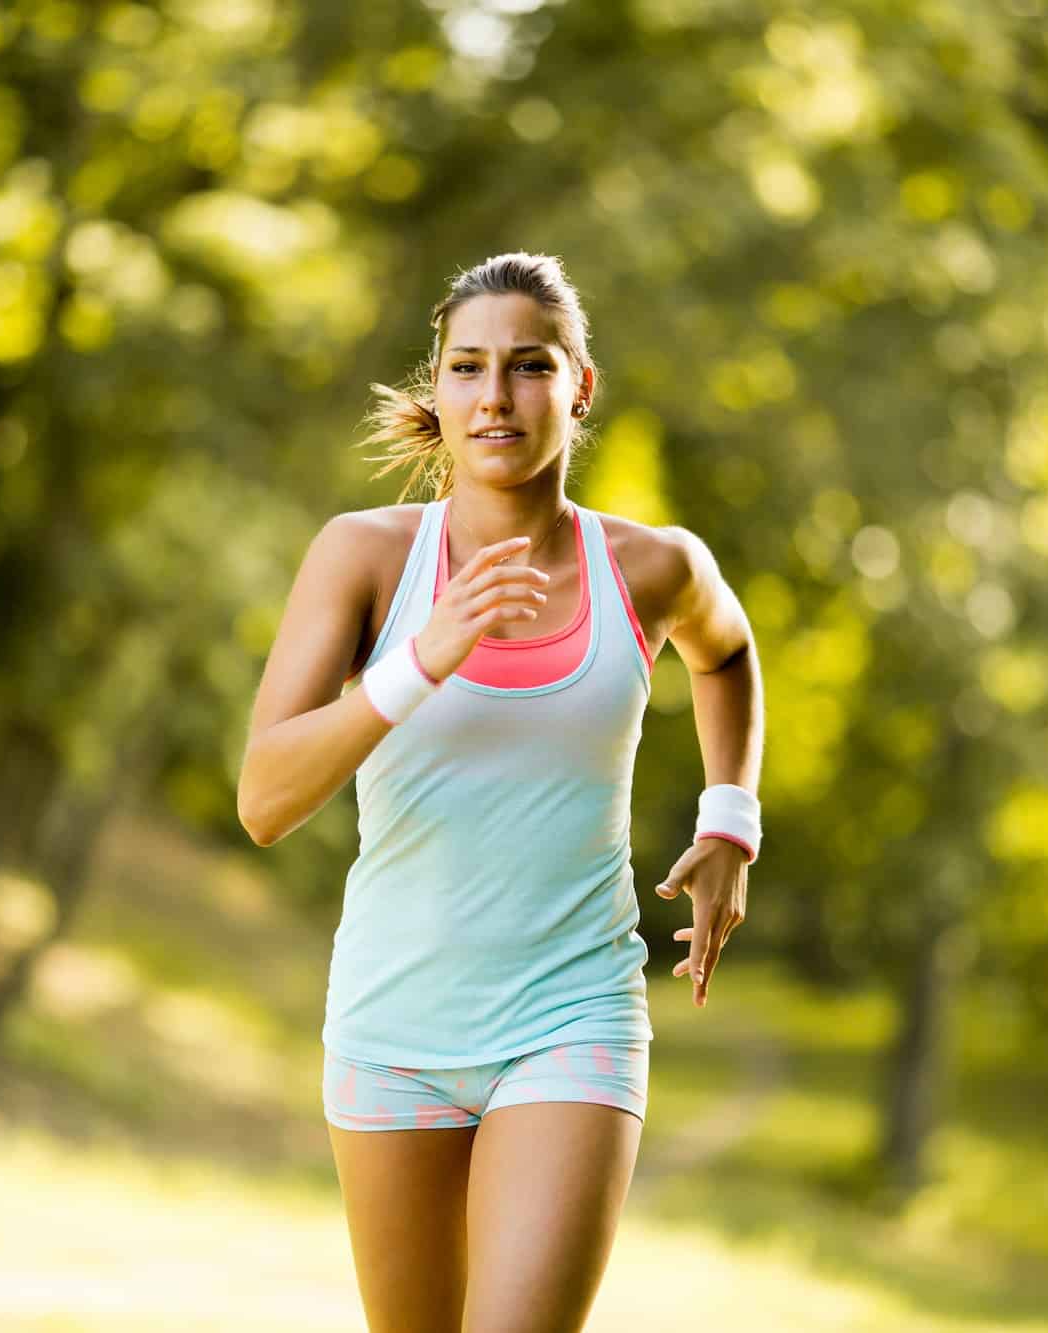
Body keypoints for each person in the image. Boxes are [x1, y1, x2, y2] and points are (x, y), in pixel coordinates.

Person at [236, 251, 763, 1332]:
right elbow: (264, 797)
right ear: (436, 391)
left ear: (576, 385)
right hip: (393, 1022)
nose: (494, 395)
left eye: (526, 365)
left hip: (568, 1014)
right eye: (466, 367)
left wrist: (729, 818)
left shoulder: (649, 566)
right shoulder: (366, 560)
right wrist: (417, 660)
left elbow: (727, 651)